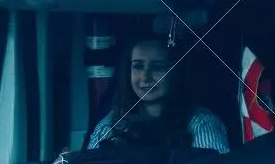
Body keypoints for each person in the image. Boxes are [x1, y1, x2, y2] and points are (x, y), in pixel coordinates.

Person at [88, 37, 229, 152]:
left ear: (174, 72)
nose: (145, 77)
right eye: (138, 66)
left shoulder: (201, 125)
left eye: (157, 67)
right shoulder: (109, 126)